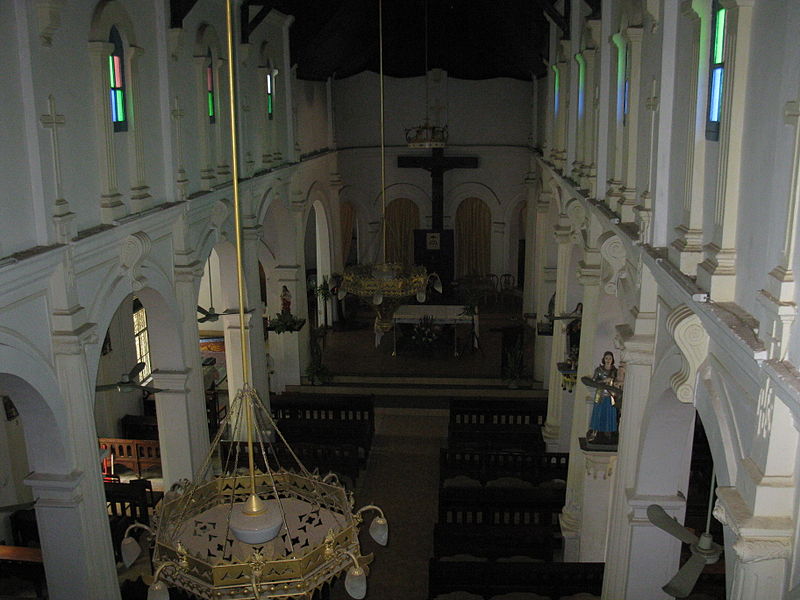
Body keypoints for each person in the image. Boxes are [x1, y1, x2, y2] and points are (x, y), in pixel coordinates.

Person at [587, 351, 620, 444]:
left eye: (610, 358)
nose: (608, 360)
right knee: (598, 413)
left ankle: (608, 433)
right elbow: (593, 381)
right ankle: (594, 432)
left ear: (612, 360)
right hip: (600, 395)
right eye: (606, 358)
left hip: (610, 396)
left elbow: (618, 382)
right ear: (603, 359)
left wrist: (613, 381)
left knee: (609, 414)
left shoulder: (615, 371)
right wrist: (603, 381)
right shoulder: (599, 370)